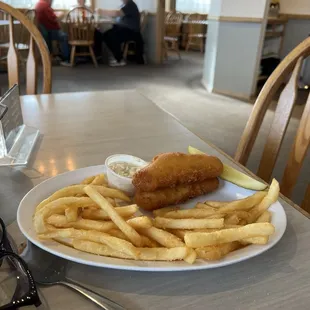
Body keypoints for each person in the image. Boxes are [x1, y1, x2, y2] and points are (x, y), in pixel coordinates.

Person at [99, 0, 144, 66]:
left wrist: (102, 11)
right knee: (106, 35)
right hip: (125, 29)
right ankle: (118, 57)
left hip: (132, 32)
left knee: (110, 36)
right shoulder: (125, 5)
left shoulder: (130, 4)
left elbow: (117, 13)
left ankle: (119, 59)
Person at [35, 0, 71, 66]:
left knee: (63, 35)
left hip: (47, 30)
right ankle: (66, 59)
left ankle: (63, 56)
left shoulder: (41, 3)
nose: (52, 2)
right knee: (64, 37)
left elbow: (50, 16)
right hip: (50, 31)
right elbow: (54, 19)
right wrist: (62, 14)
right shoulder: (44, 6)